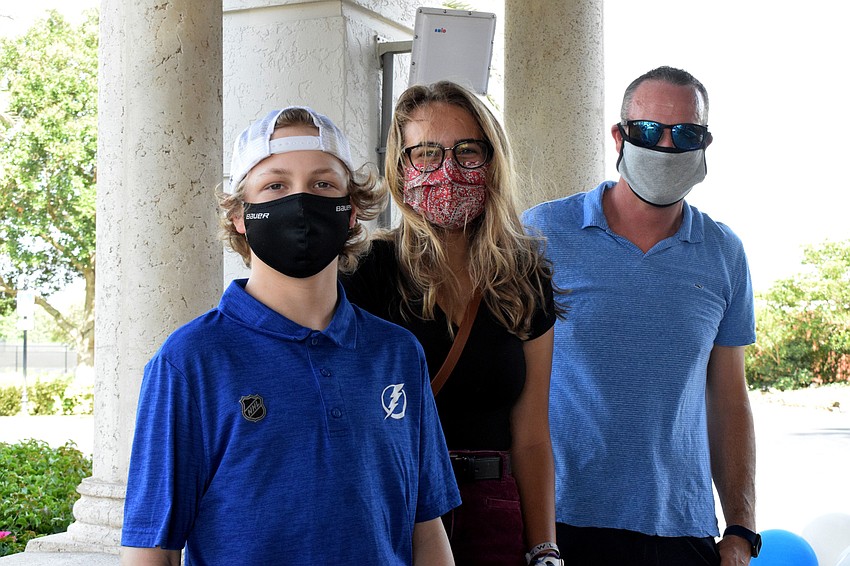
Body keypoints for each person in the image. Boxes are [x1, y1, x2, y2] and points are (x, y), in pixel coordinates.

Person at [120, 106, 461, 565]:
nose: (301, 203)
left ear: (352, 213)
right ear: (241, 215)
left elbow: (426, 528)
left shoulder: (397, 353)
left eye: (323, 184)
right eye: (275, 185)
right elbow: (150, 551)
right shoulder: (189, 362)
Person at [523, 66, 759, 565]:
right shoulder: (543, 233)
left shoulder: (724, 253)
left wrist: (741, 528)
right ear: (619, 136)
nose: (667, 147)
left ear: (705, 143)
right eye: (650, 131)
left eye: (686, 134)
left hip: (682, 529)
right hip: (560, 526)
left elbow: (729, 400)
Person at [340, 81, 563, 566]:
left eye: (466, 151)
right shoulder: (366, 272)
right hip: (396, 507)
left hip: (492, 512)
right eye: (425, 153)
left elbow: (531, 433)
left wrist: (544, 549)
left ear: (492, 161)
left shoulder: (525, 276)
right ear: (401, 167)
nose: (446, 169)